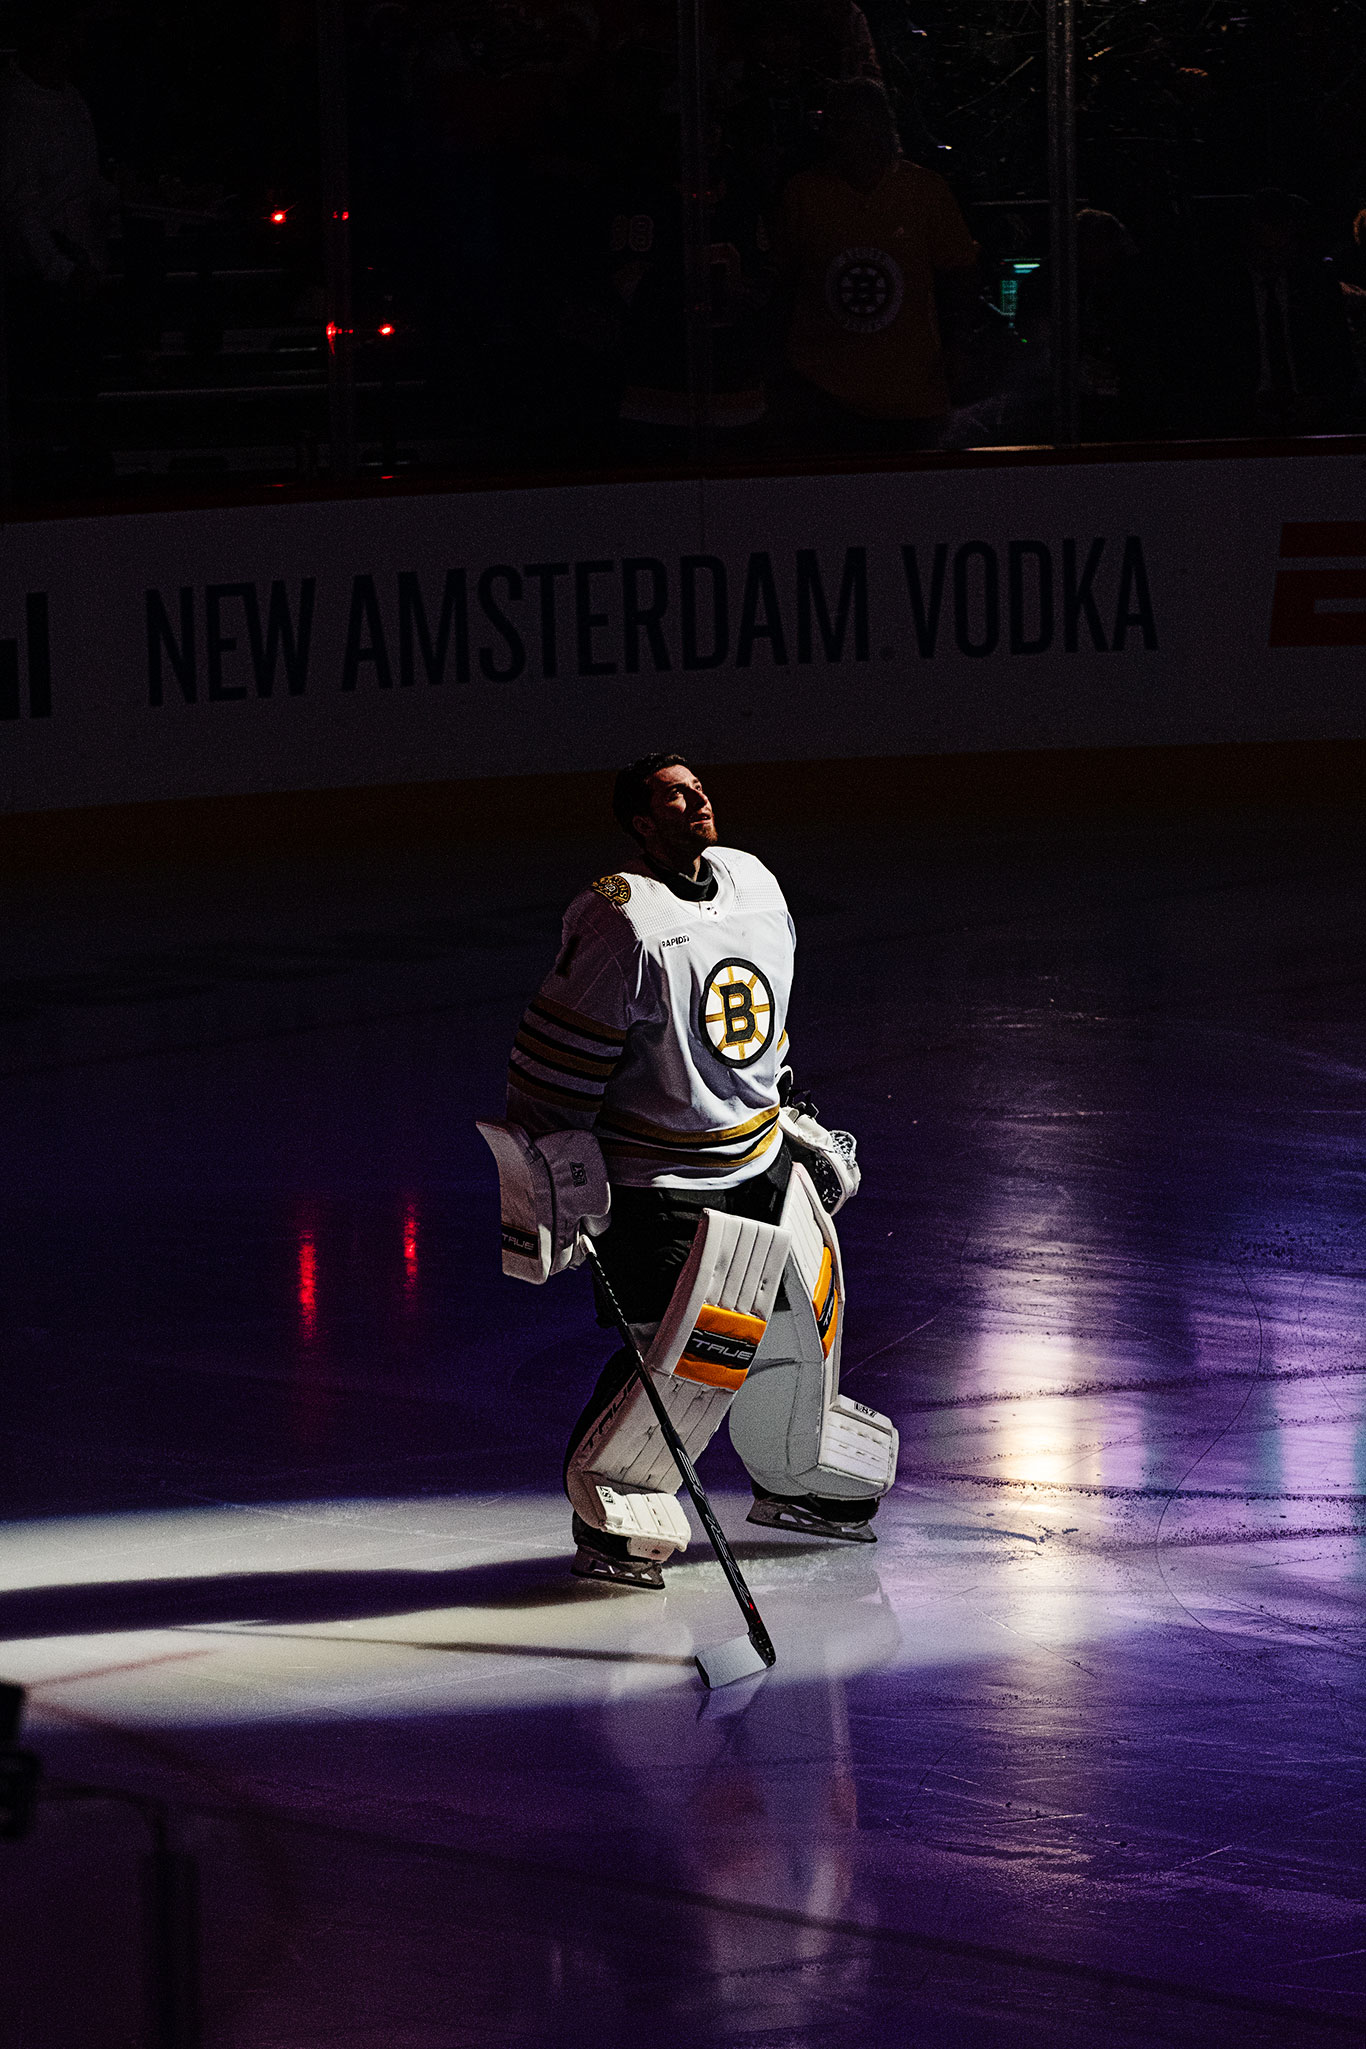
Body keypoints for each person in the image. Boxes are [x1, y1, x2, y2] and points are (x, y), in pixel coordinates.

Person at [479, 753, 898, 1588]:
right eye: (676, 793)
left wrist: (784, 1106)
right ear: (642, 822)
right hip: (664, 1190)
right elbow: (547, 1077)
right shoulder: (617, 922)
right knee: (688, 1356)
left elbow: (761, 1034)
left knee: (802, 1327)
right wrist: (548, 1179)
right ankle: (619, 1501)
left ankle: (798, 1468)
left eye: (698, 785)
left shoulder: (755, 884)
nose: (699, 797)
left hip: (762, 1161)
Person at [772, 77, 978, 451]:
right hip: (822, 393)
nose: (835, 136)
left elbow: (958, 272)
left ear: (877, 128)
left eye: (847, 125)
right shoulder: (803, 193)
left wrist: (958, 346)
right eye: (832, 124)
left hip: (910, 390)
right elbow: (783, 282)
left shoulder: (924, 191)